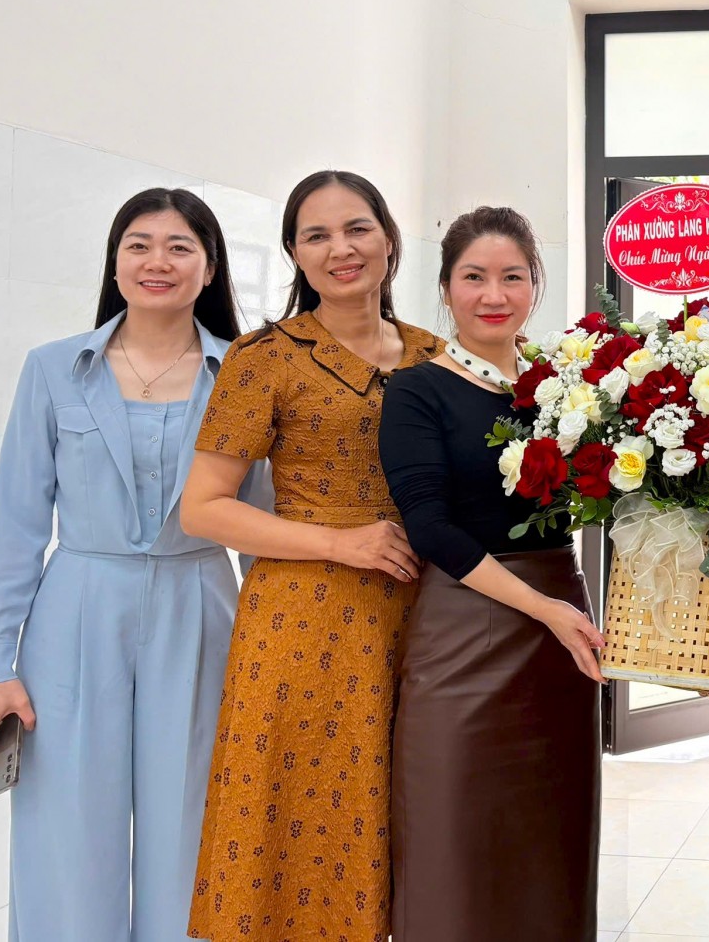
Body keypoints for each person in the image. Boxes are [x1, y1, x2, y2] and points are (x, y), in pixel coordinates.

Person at [0, 188, 266, 942]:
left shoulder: (245, 373)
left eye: (179, 247)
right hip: (75, 611)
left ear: (210, 268)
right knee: (66, 829)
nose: (156, 261)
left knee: (195, 823)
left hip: (202, 606)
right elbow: (15, 529)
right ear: (115, 262)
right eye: (138, 245)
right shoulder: (53, 369)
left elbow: (263, 527)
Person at [182, 171, 441, 942]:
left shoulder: (438, 356)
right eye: (316, 235)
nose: (340, 249)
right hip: (304, 627)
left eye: (356, 228)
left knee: (415, 825)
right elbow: (203, 508)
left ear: (389, 238)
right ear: (295, 252)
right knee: (302, 835)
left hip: (428, 621)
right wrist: (340, 542)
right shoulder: (264, 358)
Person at [378, 205, 603, 941]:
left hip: (560, 632)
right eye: (474, 277)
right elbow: (429, 527)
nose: (494, 295)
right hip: (464, 627)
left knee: (552, 843)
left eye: (512, 276)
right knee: (454, 842)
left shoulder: (566, 387)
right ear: (446, 287)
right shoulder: (415, 390)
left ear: (536, 284)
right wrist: (543, 609)